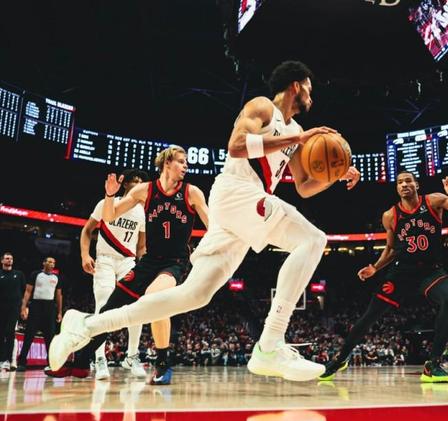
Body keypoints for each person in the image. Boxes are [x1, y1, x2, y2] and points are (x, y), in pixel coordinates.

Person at [50, 60, 360, 382]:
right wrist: (297, 139)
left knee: (194, 295)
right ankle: (270, 344)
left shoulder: (296, 132)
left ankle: (85, 325)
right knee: (312, 239)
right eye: (309, 87)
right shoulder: (263, 107)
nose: (312, 94)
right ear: (296, 85)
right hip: (236, 190)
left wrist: (334, 175)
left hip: (242, 208)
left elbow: (304, 186)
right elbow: (236, 147)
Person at [48, 146, 208, 385]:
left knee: (156, 298)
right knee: (109, 309)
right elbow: (109, 217)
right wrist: (109, 195)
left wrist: (205, 255)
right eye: (181, 161)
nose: (186, 166)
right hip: (149, 261)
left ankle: (163, 363)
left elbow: (213, 226)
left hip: (174, 262)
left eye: (186, 163)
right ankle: (81, 362)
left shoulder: (191, 192)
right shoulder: (145, 190)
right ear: (167, 163)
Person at [319, 171, 448, 383]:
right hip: (402, 272)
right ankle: (340, 359)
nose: (404, 184)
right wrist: (375, 268)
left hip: (431, 270)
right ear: (397, 188)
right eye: (400, 182)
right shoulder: (390, 215)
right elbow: (391, 249)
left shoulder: (434, 200)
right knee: (369, 316)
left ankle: (433, 364)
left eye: (408, 181)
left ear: (416, 185)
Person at [80, 168, 149, 380]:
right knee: (103, 306)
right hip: (105, 260)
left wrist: (145, 266)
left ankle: (132, 356)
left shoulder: (141, 212)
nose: (139, 185)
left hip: (128, 262)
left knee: (136, 307)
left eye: (142, 182)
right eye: (135, 181)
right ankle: (99, 358)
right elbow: (87, 230)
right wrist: (85, 255)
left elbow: (141, 246)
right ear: (124, 183)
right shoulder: (106, 203)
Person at [17, 256, 62, 371]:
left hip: (50, 307)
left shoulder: (56, 277)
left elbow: (58, 295)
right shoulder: (35, 274)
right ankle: (22, 363)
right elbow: (28, 291)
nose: (52, 264)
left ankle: (51, 363)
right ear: (44, 263)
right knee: (29, 335)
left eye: (53, 262)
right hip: (36, 305)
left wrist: (59, 312)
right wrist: (23, 307)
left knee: (50, 337)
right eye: (50, 262)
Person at [0, 252, 26, 371]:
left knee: (9, 332)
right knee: (1, 334)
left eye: (11, 258)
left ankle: (8, 360)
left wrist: (24, 307)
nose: (9, 260)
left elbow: (25, 292)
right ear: (2, 261)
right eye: (7, 258)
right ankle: (2, 360)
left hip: (14, 309)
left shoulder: (19, 274)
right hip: (1, 308)